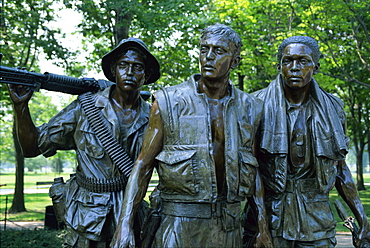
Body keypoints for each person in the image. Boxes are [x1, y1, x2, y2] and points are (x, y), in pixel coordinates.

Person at [111, 23, 272, 248]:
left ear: (235, 61)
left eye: (219, 51)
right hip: (178, 226)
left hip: (228, 228)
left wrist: (262, 229)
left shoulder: (251, 108)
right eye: (204, 49)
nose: (208, 57)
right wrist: (124, 224)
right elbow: (143, 165)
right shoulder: (168, 102)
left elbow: (252, 170)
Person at [8, 38, 160, 247]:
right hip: (87, 216)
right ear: (113, 70)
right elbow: (32, 148)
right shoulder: (85, 107)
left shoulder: (155, 117)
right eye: (123, 65)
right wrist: (20, 108)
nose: (130, 72)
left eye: (138, 67)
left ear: (147, 75)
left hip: (131, 213)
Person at [253, 35, 370, 247]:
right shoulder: (255, 105)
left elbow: (340, 169)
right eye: (288, 61)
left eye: (303, 61)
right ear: (279, 66)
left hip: (317, 220)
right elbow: (252, 172)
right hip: (271, 218)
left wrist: (363, 219)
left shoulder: (334, 109)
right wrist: (262, 227)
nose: (295, 68)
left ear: (315, 67)